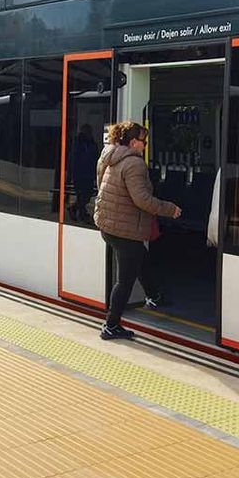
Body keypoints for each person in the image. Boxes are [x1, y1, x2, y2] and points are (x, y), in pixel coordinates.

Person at [93, 121, 181, 340]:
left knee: (141, 257)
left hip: (108, 225)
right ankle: (111, 325)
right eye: (144, 141)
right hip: (125, 230)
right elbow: (141, 199)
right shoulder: (134, 163)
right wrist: (169, 209)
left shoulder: (109, 155)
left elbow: (101, 185)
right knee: (125, 281)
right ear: (133, 142)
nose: (145, 145)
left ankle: (153, 295)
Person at [70, 124, 99, 222]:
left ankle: (75, 209)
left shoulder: (91, 143)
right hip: (80, 173)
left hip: (88, 173)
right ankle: (81, 213)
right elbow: (74, 159)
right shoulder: (79, 143)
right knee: (82, 195)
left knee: (87, 194)